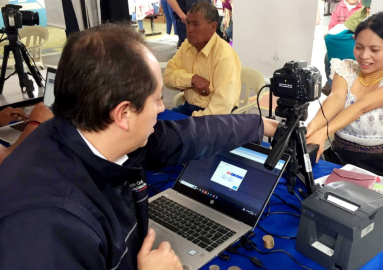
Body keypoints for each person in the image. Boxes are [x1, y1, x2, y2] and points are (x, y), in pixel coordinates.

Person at [0, 23, 277, 270]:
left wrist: (259, 125)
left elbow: (189, 135)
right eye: (157, 100)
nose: (162, 109)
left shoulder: (89, 131)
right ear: (123, 114)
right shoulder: (47, 228)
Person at [306, 12, 383, 182]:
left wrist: (323, 133)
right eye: (359, 47)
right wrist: (311, 129)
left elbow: (361, 106)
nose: (364, 56)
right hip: (336, 159)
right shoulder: (346, 68)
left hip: (377, 168)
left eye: (374, 49)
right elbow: (336, 98)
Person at [164, 1, 241, 116]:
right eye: (188, 23)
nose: (189, 29)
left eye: (195, 24)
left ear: (213, 27)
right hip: (189, 108)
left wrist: (192, 122)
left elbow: (221, 107)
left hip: (214, 116)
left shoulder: (224, 56)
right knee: (155, 125)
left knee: (168, 130)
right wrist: (192, 79)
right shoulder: (187, 45)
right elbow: (168, 77)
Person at [323, 0, 364, 96]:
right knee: (327, 57)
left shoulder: (362, 8)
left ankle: (332, 83)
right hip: (341, 38)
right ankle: (331, 80)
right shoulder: (338, 6)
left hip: (353, 40)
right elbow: (332, 26)